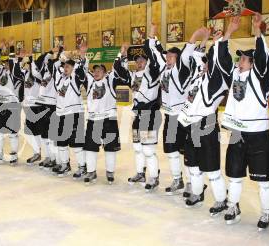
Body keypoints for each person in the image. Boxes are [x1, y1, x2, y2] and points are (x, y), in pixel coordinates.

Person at [216, 14, 269, 230]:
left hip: (258, 135)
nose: (239, 62)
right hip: (237, 134)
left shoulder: (260, 78)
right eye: (240, 59)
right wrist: (228, 34)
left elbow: (264, 61)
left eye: (244, 59)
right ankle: (233, 206)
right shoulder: (234, 76)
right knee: (234, 174)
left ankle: (267, 212)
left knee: (264, 180)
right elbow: (223, 60)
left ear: (253, 63)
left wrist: (258, 31)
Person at [177, 29, 229, 216]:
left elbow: (220, 63)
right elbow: (190, 55)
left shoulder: (217, 82)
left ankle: (222, 200)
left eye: (207, 64)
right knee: (193, 166)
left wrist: (220, 40)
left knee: (212, 169)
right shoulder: (196, 78)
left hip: (206, 126)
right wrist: (200, 37)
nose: (203, 65)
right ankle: (198, 193)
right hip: (190, 126)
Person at [148, 24, 195, 196]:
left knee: (186, 153)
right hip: (169, 117)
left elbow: (186, 54)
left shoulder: (181, 70)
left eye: (171, 56)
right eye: (167, 56)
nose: (167, 58)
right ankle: (178, 179)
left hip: (182, 118)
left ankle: (191, 182)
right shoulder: (165, 68)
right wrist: (152, 35)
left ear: (178, 58)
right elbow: (155, 50)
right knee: (171, 151)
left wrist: (195, 36)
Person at [113, 35, 164, 190]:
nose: (139, 62)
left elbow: (158, 59)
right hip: (138, 116)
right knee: (137, 147)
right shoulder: (133, 75)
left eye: (142, 60)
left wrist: (154, 39)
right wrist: (122, 53)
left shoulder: (153, 73)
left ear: (147, 62)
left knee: (148, 149)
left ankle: (154, 177)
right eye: (137, 60)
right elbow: (118, 68)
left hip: (150, 115)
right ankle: (140, 173)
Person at [79, 44, 130, 184]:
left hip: (109, 119)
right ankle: (91, 171)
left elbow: (117, 69)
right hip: (93, 120)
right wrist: (83, 56)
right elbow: (82, 71)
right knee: (90, 148)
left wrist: (121, 54)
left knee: (110, 149)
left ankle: (110, 171)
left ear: (105, 72)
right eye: (95, 70)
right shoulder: (89, 82)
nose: (96, 73)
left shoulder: (110, 80)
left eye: (100, 70)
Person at [50, 46, 87, 177]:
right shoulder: (60, 79)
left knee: (76, 144)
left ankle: (82, 167)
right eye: (64, 66)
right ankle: (65, 164)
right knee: (61, 142)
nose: (65, 68)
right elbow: (55, 66)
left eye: (68, 67)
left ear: (73, 69)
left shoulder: (75, 79)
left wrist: (81, 56)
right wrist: (61, 54)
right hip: (60, 114)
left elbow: (82, 72)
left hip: (74, 114)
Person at [0, 40, 23, 165]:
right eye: (5, 62)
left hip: (12, 106)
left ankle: (13, 155)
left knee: (12, 133)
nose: (6, 64)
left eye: (8, 62)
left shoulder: (16, 73)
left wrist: (11, 47)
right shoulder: (1, 71)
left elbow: (13, 61)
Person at [31, 47, 61, 170]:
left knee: (52, 134)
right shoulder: (43, 73)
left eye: (50, 62)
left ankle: (55, 158)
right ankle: (48, 157)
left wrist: (58, 52)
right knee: (44, 134)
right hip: (41, 105)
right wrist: (48, 52)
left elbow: (59, 62)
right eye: (47, 62)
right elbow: (37, 65)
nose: (47, 63)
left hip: (52, 105)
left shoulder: (57, 73)